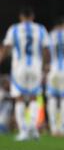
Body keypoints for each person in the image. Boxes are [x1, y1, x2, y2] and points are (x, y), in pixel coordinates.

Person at [0, 7, 50, 141]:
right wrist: (45, 66)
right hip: (35, 67)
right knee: (34, 97)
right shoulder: (40, 29)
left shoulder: (14, 29)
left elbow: (6, 48)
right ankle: (33, 128)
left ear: (21, 17)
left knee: (19, 98)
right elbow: (46, 49)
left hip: (19, 68)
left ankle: (23, 131)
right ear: (32, 16)